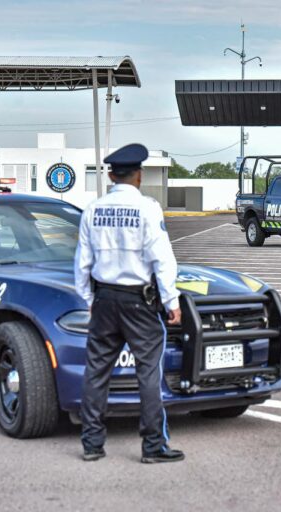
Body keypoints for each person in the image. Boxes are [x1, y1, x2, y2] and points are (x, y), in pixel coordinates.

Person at [74, 143, 184, 464]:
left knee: (96, 371)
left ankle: (92, 444)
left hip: (105, 299)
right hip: (139, 302)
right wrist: (171, 300)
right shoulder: (148, 209)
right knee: (148, 372)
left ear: (110, 174)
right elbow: (162, 259)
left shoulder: (93, 210)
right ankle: (153, 446)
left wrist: (89, 298)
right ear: (139, 175)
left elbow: (82, 261)